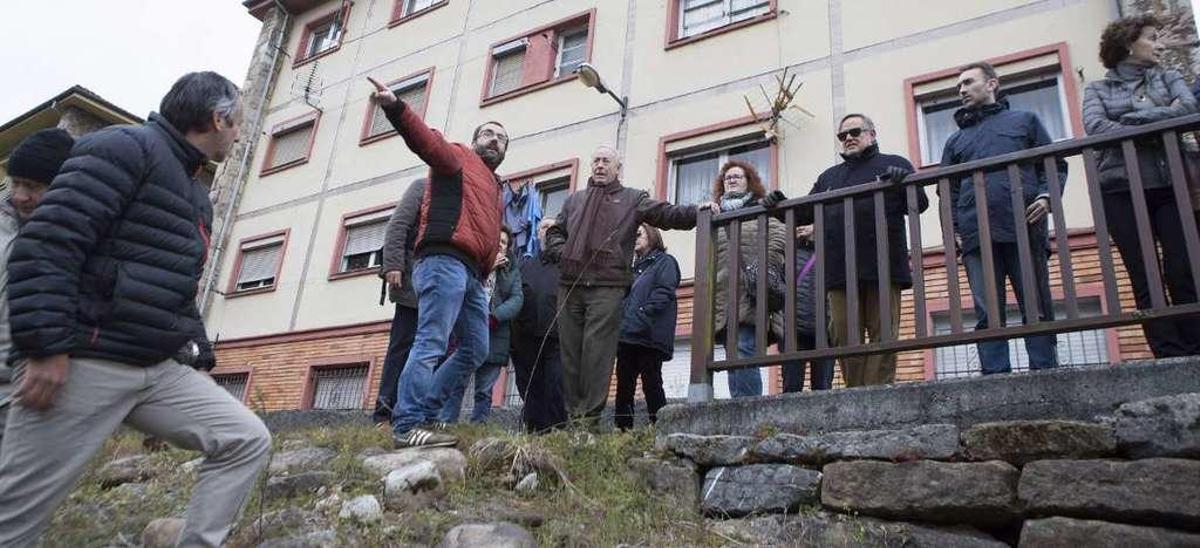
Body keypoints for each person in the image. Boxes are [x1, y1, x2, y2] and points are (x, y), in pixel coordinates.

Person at [0, 72, 271, 547]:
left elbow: (179, 292)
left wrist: (198, 360)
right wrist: (45, 348)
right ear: (218, 118)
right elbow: (47, 246)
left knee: (245, 439)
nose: (241, 134)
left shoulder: (196, 196)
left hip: (155, 365)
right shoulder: (124, 148)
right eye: (239, 124)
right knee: (15, 518)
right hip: (84, 359)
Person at [368, 76, 505, 448]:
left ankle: (426, 411)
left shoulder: (495, 187)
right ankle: (406, 423)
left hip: (472, 275)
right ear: (476, 141)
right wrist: (397, 107)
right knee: (430, 340)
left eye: (501, 138)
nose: (494, 140)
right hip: (443, 261)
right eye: (489, 134)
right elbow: (426, 141)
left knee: (476, 347)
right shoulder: (458, 156)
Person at [544, 145, 714, 424]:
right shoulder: (573, 200)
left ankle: (588, 422)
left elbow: (664, 213)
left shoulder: (633, 198)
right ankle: (573, 420)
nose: (600, 165)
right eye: (596, 160)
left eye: (606, 161)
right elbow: (555, 232)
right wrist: (561, 253)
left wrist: (696, 212)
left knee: (597, 355)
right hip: (570, 285)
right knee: (571, 355)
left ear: (617, 168)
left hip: (607, 287)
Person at [1083, 15, 1200, 357]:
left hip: (1170, 182)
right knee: (1143, 273)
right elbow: (1095, 127)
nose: (1160, 44)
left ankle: (1196, 347)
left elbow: (1190, 107)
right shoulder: (1097, 89)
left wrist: (1140, 120)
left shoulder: (1170, 76)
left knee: (1183, 267)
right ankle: (1167, 352)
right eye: (1152, 38)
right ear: (1128, 44)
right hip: (1120, 188)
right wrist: (1160, 115)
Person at [940, 61, 1068, 375]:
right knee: (987, 311)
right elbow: (949, 192)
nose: (962, 90)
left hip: (1024, 226)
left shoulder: (1025, 121)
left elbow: (1053, 165)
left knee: (1036, 305)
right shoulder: (955, 141)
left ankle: (1046, 373)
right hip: (975, 235)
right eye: (959, 86)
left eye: (968, 82)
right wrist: (955, 230)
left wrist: (1046, 196)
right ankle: (994, 377)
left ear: (993, 84)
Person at [789, 114, 928, 386]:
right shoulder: (829, 177)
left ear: (872, 134)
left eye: (855, 131)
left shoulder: (895, 163)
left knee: (882, 332)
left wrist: (904, 182)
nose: (848, 138)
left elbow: (919, 204)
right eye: (842, 135)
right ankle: (855, 392)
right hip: (839, 269)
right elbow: (804, 212)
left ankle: (876, 392)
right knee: (843, 334)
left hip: (884, 264)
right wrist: (779, 204)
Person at [0, 128, 75, 451]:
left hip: (18, 391)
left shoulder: (77, 240)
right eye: (15, 182)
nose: (19, 195)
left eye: (32, 186)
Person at [709, 160, 786, 398]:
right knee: (733, 355)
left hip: (752, 293)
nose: (731, 179)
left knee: (743, 350)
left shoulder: (763, 210)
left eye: (737, 176)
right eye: (727, 177)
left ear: (749, 182)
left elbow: (778, 240)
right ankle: (738, 407)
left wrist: (763, 270)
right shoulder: (714, 217)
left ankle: (750, 407)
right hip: (723, 296)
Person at [441, 225, 523, 424]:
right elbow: (461, 288)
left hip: (496, 336)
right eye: (497, 241)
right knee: (457, 383)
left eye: (504, 243)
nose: (500, 245)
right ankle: (446, 423)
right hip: (466, 331)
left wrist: (494, 317)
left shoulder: (512, 271)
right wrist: (489, 268)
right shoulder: (473, 264)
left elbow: (517, 299)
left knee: (485, 389)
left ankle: (477, 428)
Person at [371, 178, 427, 426]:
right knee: (402, 345)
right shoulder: (422, 187)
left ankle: (414, 411)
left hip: (437, 285)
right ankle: (385, 409)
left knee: (427, 350)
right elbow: (398, 225)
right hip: (411, 280)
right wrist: (393, 264)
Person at [614, 224, 680, 429]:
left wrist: (642, 315)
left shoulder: (665, 262)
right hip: (627, 335)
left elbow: (664, 292)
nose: (635, 237)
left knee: (652, 382)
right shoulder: (631, 270)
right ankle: (622, 430)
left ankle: (660, 427)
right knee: (624, 386)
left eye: (639, 234)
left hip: (649, 335)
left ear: (652, 236)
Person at [511, 219, 568, 433]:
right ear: (538, 234)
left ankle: (557, 435)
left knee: (555, 386)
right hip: (526, 339)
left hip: (557, 338)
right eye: (543, 228)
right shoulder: (524, 264)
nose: (546, 232)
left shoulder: (567, 265)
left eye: (551, 228)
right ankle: (533, 434)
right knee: (529, 387)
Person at [779, 224, 835, 392]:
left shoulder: (831, 251)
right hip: (793, 329)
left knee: (823, 387)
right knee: (791, 386)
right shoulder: (786, 252)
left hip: (825, 328)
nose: (803, 228)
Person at [502, 177, 542, 257]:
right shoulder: (504, 195)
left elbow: (534, 219)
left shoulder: (531, 194)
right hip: (518, 237)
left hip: (522, 238)